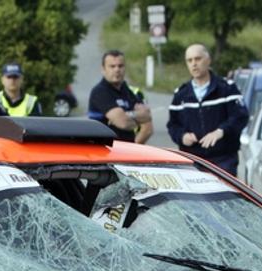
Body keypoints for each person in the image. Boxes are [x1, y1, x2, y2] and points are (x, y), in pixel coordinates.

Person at [167, 44, 248, 174]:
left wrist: (221, 131)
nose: (194, 64)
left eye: (198, 59)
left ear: (208, 60)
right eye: (189, 60)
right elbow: (173, 125)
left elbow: (240, 116)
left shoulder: (227, 88)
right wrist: (182, 136)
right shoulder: (181, 94)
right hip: (192, 161)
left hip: (223, 160)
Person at [87, 50, 153, 143]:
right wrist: (135, 117)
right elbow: (123, 123)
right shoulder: (99, 92)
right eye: (112, 66)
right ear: (103, 69)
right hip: (106, 148)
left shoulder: (127, 91)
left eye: (120, 66)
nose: (117, 70)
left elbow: (147, 117)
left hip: (126, 148)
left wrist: (126, 115)